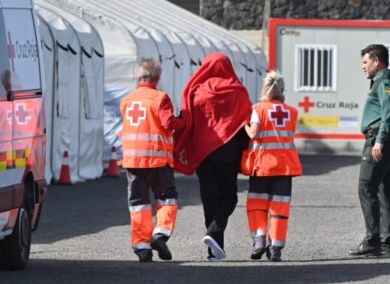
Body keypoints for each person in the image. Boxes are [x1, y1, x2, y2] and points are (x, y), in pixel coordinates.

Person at [174, 52, 252, 261]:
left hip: (203, 153)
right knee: (229, 197)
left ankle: (214, 250)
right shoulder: (237, 90)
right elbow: (246, 121)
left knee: (210, 198)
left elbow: (186, 118)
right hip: (229, 153)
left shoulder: (197, 91)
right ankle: (213, 235)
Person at [119, 58, 187, 262]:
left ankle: (142, 247)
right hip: (157, 160)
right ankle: (160, 234)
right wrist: (184, 121)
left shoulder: (127, 100)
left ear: (138, 78)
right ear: (157, 78)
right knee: (167, 199)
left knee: (139, 203)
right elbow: (168, 122)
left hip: (132, 161)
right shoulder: (160, 98)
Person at [349, 44, 390, 258]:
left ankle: (372, 241)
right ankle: (386, 245)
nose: (363, 67)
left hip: (381, 140)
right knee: (384, 191)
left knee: (366, 187)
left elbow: (388, 114)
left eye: (365, 62)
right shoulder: (385, 81)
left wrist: (379, 141)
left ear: (376, 61)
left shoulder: (385, 82)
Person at [242, 71, 302, 262]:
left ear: (265, 89)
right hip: (284, 168)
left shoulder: (258, 109)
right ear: (282, 90)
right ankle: (275, 249)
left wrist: (244, 124)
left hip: (262, 166)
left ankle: (259, 240)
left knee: (257, 206)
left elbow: (253, 134)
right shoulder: (292, 112)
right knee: (280, 209)